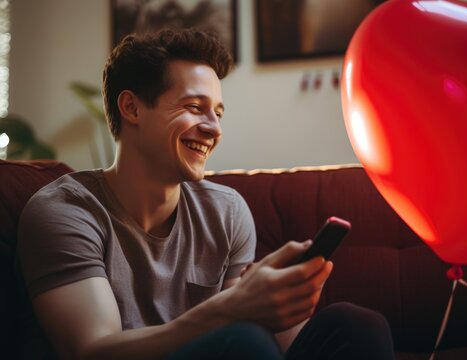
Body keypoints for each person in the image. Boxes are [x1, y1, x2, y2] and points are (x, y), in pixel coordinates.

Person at [17, 29, 394, 360]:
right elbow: (92, 351)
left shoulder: (226, 212)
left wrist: (276, 300)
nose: (214, 129)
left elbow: (270, 341)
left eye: (218, 113)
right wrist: (232, 308)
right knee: (241, 340)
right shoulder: (65, 211)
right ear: (131, 108)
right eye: (195, 108)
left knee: (357, 325)